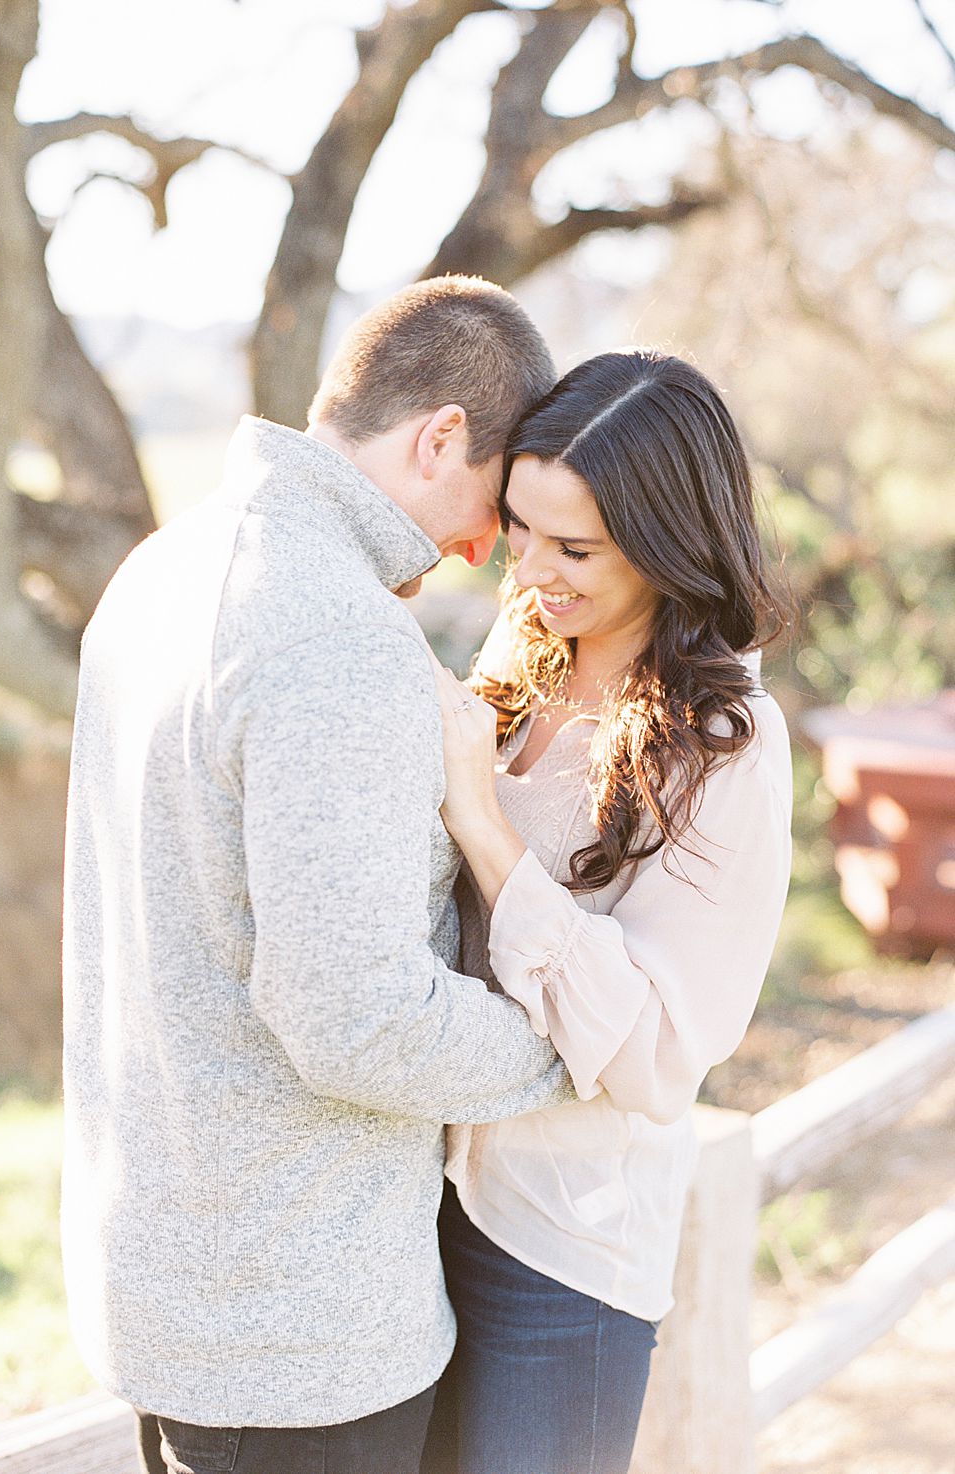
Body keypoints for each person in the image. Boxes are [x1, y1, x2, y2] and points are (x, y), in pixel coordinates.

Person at [62, 276, 575, 1474]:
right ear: (439, 437)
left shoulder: (162, 567)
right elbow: (357, 1016)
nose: (487, 547)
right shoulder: (332, 628)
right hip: (298, 1335)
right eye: (495, 500)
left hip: (174, 1287)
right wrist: (573, 1041)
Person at [420, 350, 793, 1474]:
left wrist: (484, 828)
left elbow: (656, 1058)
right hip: (415, 1204)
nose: (529, 569)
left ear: (667, 543)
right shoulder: (523, 653)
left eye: (573, 548)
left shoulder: (725, 745)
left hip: (561, 1255)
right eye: (519, 527)